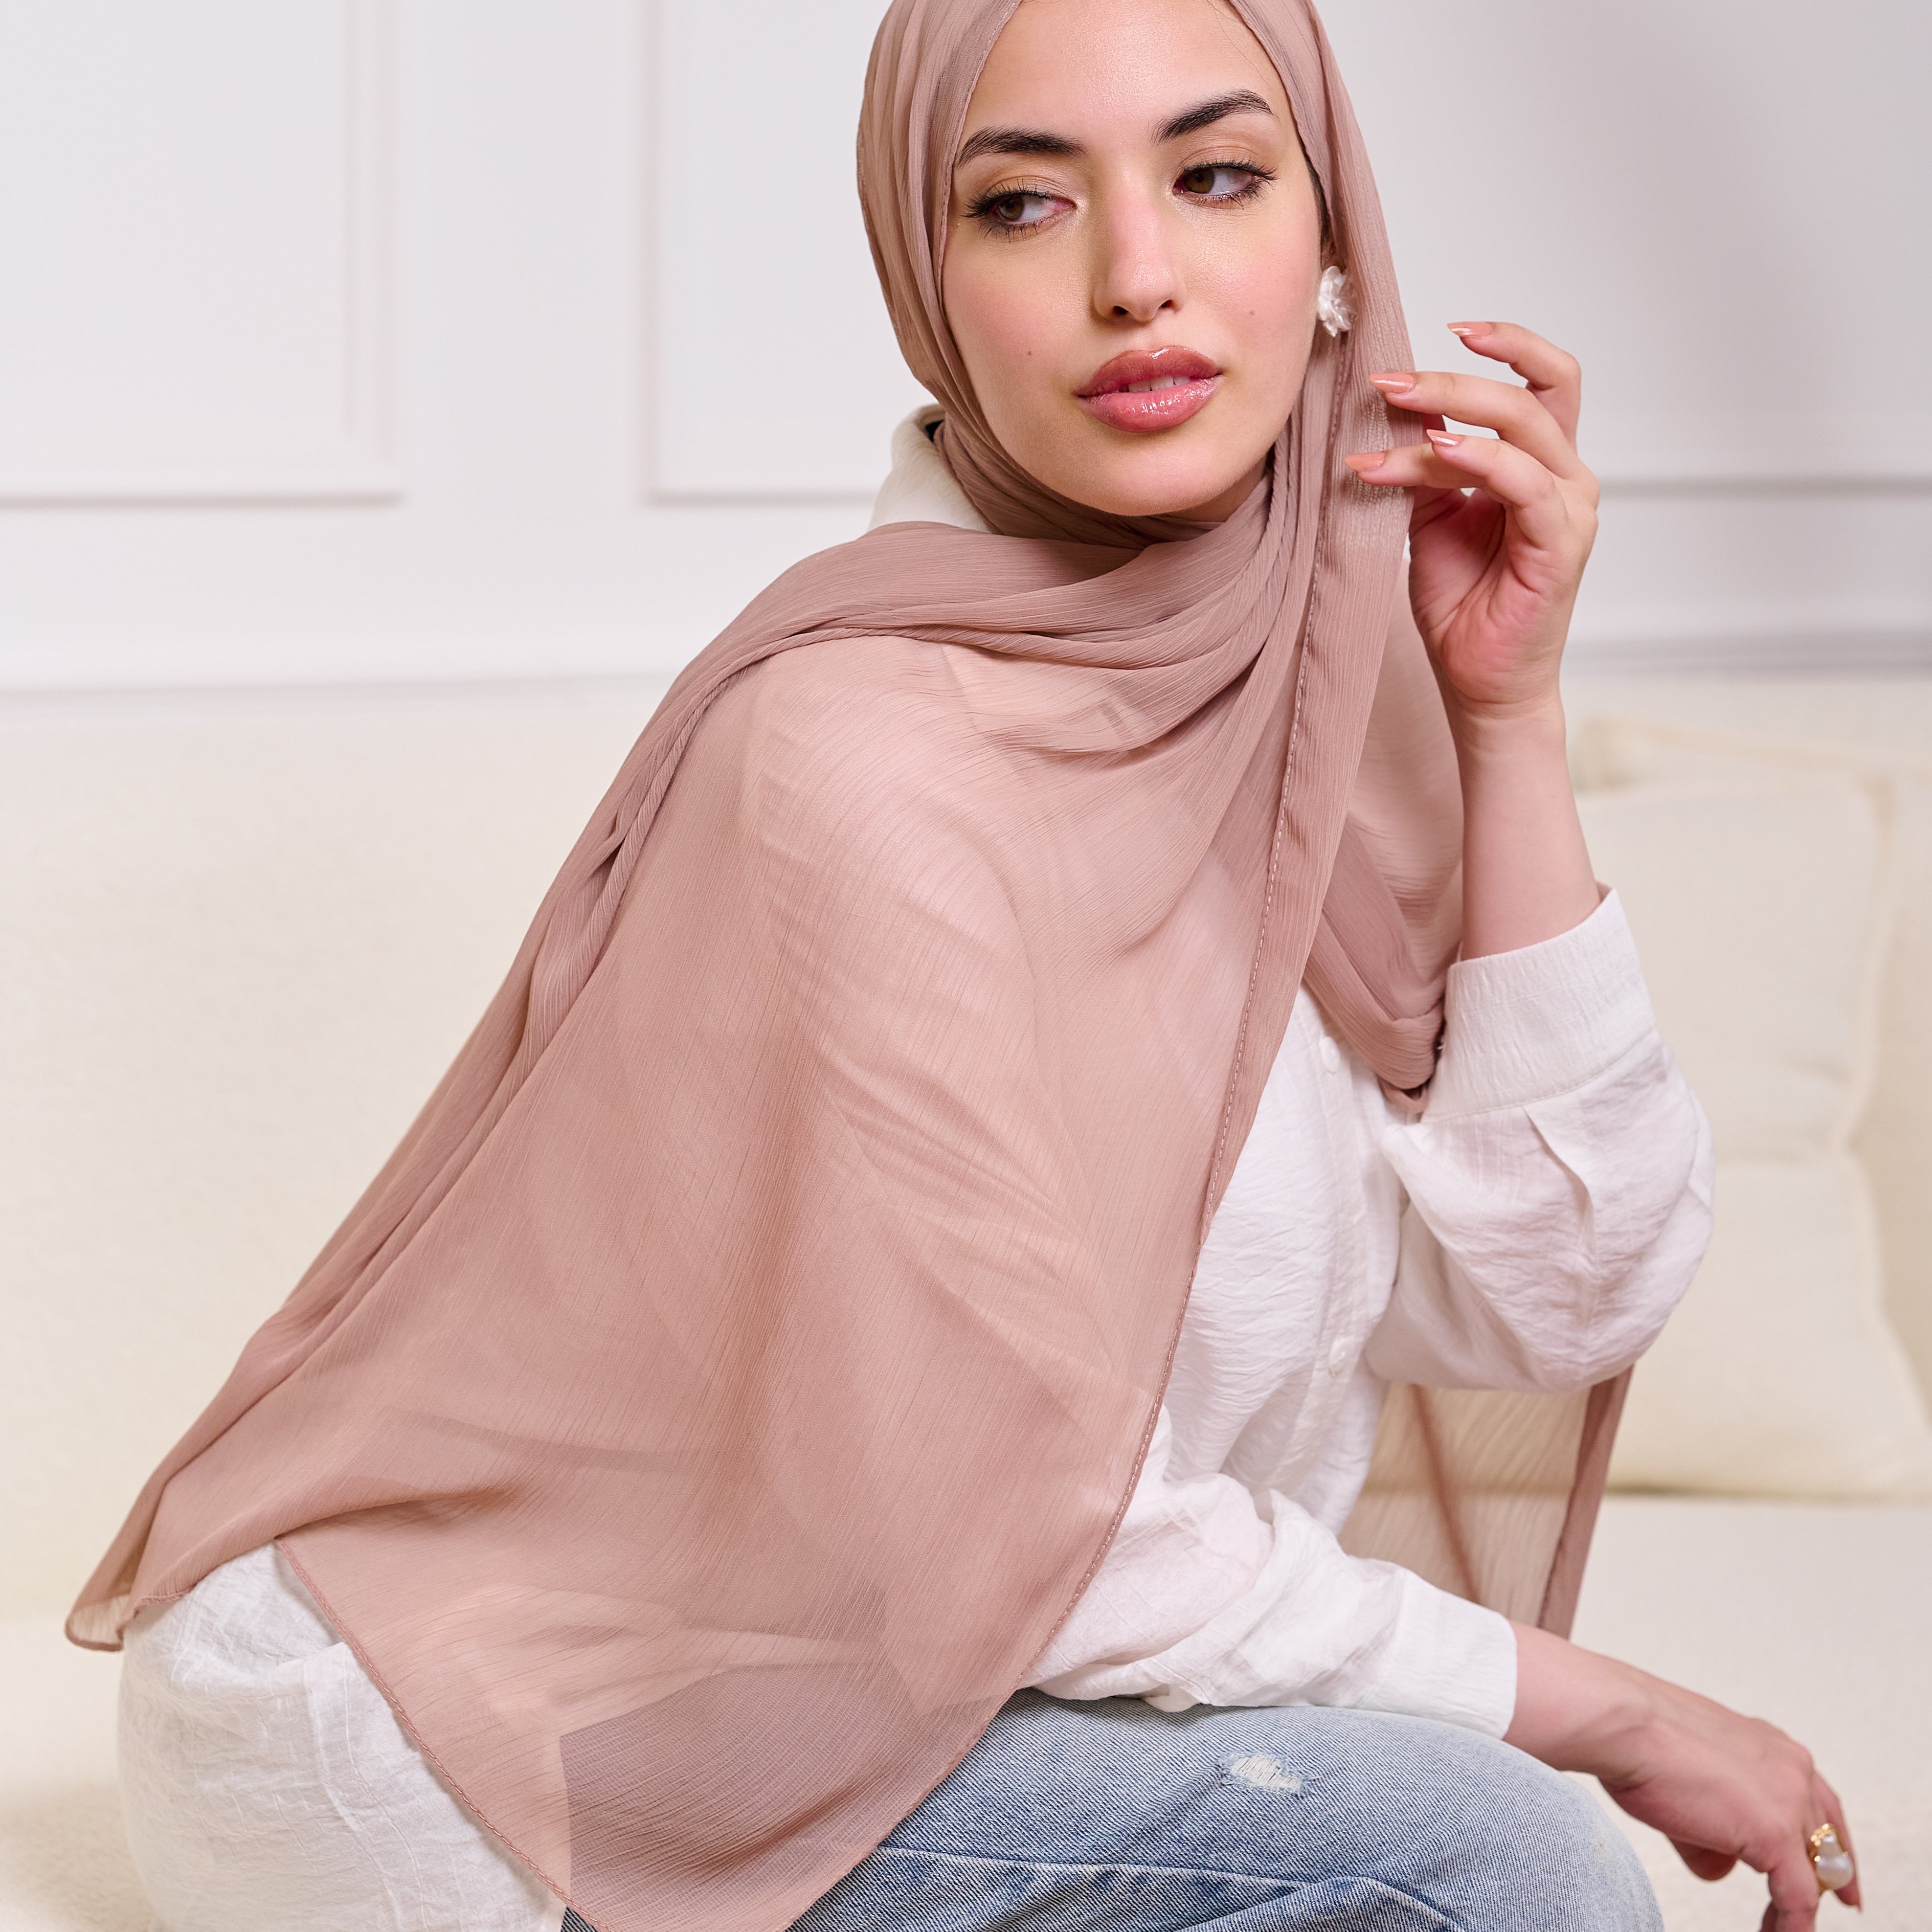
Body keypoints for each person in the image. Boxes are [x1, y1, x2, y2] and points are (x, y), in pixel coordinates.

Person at [78, 1, 1860, 1928]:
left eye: (1217, 175)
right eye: (1021, 204)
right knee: (1488, 1860)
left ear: (1332, 242)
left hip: (868, 1660)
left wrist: (1504, 719)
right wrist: (1607, 1711)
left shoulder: (1307, 692)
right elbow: (1026, 1516)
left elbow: (1560, 1294)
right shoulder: (862, 755)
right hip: (456, 1724)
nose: (1136, 275)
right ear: (924, 285)